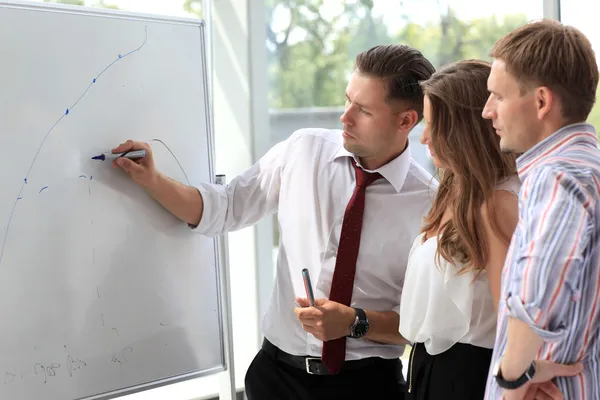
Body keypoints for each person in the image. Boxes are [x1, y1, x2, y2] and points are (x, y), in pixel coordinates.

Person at [111, 44, 438, 399]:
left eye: (363, 110)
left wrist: (354, 322)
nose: (345, 117)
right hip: (275, 379)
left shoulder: (430, 203)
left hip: (366, 386)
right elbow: (221, 208)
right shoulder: (303, 151)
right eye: (347, 100)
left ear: (406, 120)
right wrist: (152, 180)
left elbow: (421, 324)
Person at [482, 19, 599, 400]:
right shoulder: (589, 169)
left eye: (498, 96)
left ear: (541, 101)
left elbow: (536, 292)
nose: (487, 111)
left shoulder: (557, 177)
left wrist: (513, 380)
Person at [399, 59, 520, 400]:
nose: (422, 137)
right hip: (427, 369)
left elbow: (512, 317)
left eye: (433, 125)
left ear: (465, 130)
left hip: (470, 376)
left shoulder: (499, 202)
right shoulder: (455, 188)